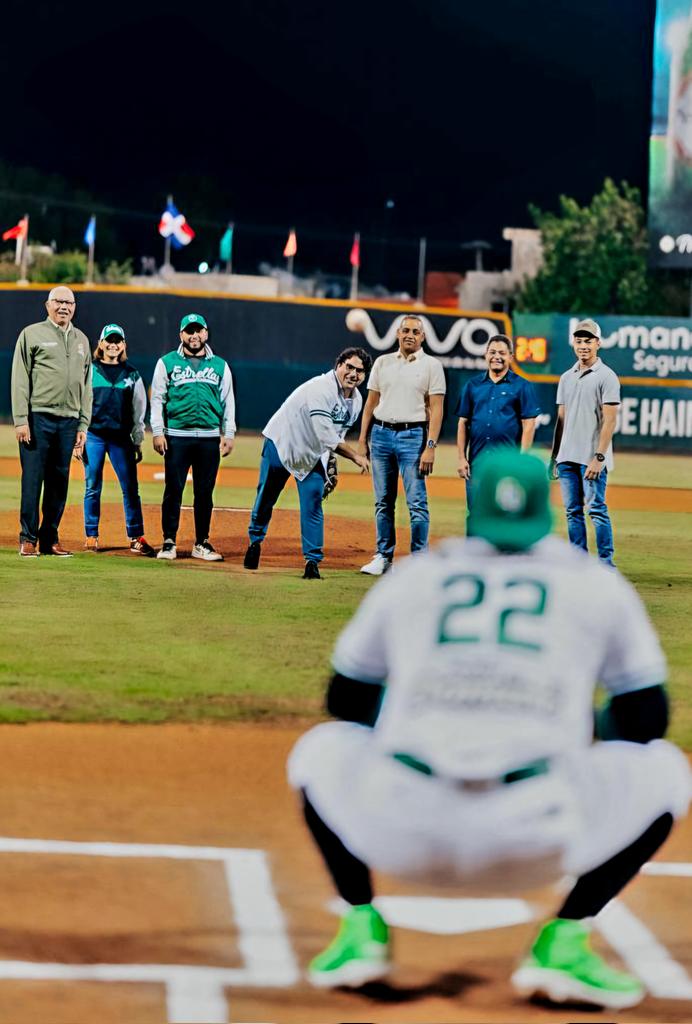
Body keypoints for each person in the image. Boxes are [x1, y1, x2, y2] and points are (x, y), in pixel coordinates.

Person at [288, 449, 689, 1009]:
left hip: (403, 828)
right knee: (667, 771)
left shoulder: (419, 575)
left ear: (474, 507)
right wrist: (577, 726)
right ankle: (565, 941)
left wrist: (419, 711)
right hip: (535, 838)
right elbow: (648, 720)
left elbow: (345, 701)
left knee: (319, 749)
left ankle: (360, 928)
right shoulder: (594, 583)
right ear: (545, 512)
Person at [243, 348, 371, 579]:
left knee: (312, 501)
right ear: (338, 365)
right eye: (349, 367)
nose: (353, 374)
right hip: (281, 443)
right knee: (266, 496)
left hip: (310, 455)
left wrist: (329, 460)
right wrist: (355, 456)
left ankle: (312, 562)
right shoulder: (320, 389)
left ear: (364, 376)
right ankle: (254, 542)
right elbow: (325, 435)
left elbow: (335, 435)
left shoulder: (357, 401)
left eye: (359, 371)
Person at [357, 314, 446, 576]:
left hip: (413, 437)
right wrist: (362, 440)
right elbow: (370, 406)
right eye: (405, 330)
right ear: (397, 333)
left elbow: (437, 409)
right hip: (381, 434)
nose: (410, 335)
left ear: (423, 337)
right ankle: (383, 556)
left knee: (417, 502)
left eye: (415, 332)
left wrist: (431, 445)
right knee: (383, 502)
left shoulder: (432, 366)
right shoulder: (383, 362)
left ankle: (419, 560)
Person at [11, 285, 92, 557]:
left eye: (69, 303)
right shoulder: (31, 334)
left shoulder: (82, 340)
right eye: (58, 302)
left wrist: (83, 424)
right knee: (33, 480)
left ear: (74, 307)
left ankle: (50, 538)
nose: (63, 307)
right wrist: (21, 419)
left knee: (59, 482)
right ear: (48, 306)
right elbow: (20, 379)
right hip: (38, 418)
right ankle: (28, 538)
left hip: (69, 421)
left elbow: (87, 385)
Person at [150, 313, 235, 562]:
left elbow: (227, 400)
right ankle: (169, 542)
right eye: (189, 331)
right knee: (173, 490)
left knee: (205, 492)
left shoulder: (220, 365)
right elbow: (158, 399)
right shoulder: (167, 363)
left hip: (208, 438)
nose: (194, 335)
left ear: (206, 333)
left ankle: (201, 542)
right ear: (181, 335)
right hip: (177, 436)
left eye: (199, 331)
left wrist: (228, 432)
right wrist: (157, 431)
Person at [549, 318, 620, 566]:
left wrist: (599, 457)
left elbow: (610, 421)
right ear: (574, 344)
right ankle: (578, 565)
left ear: (598, 343)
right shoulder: (566, 377)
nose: (583, 345)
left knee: (596, 511)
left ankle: (605, 565)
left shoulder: (607, 376)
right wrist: (554, 456)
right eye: (579, 341)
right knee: (572, 513)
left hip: (591, 459)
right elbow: (561, 419)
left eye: (588, 341)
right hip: (567, 457)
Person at [82, 324, 155, 556]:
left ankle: (135, 536)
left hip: (121, 439)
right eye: (109, 340)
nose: (113, 345)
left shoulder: (131, 374)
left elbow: (138, 408)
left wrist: (138, 439)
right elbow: (78, 403)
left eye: (118, 341)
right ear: (100, 344)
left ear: (123, 345)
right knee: (92, 486)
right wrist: (78, 435)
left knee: (131, 488)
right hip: (93, 435)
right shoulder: (89, 370)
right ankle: (91, 535)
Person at [456, 334, 540, 508]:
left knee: (506, 515)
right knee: (476, 514)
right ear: (486, 355)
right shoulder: (472, 385)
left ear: (510, 357)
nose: (496, 357)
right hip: (477, 463)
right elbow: (463, 422)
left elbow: (529, 424)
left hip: (508, 464)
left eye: (502, 353)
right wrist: (461, 458)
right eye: (492, 352)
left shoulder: (523, 386)